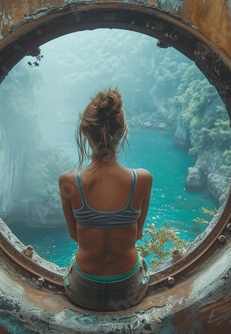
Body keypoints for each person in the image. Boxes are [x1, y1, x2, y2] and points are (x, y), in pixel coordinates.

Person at [59, 88, 152, 311]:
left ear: (84, 131)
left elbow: (75, 235)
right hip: (127, 290)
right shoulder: (142, 179)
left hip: (83, 290)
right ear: (122, 132)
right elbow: (137, 234)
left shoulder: (69, 181)